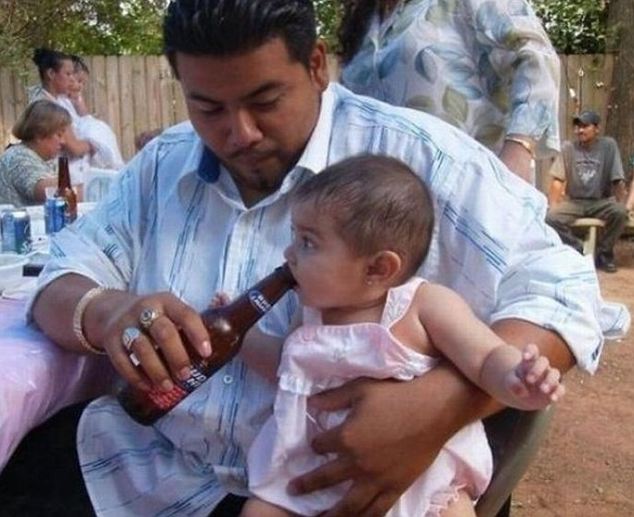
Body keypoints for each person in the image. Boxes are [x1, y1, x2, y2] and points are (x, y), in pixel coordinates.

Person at [13, 1, 626, 515]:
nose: (240, 132)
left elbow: (565, 289)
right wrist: (109, 309)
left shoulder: (418, 159)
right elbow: (64, 274)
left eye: (265, 99)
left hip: (328, 497)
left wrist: (440, 405)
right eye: (209, 108)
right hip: (147, 470)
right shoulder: (159, 166)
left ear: (315, 67)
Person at [241, 154, 565, 517]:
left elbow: (486, 356)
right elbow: (287, 369)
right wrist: (242, 336)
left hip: (418, 478)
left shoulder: (423, 306)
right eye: (294, 237)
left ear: (379, 268)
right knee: (260, 510)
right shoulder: (312, 315)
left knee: (452, 510)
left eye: (308, 242)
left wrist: (516, 378)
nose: (289, 254)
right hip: (310, 474)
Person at [337, 0, 561, 183]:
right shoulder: (365, 23)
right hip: (379, 207)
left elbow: (537, 57)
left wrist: (518, 153)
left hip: (470, 196)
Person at [546, 110, 628, 273]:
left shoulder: (608, 146)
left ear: (596, 129)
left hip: (600, 202)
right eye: (578, 127)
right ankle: (580, 249)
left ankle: (604, 254)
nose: (580, 130)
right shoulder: (569, 148)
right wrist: (553, 204)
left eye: (585, 126)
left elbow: (617, 179)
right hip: (575, 201)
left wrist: (624, 204)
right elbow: (557, 180)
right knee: (550, 218)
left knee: (620, 213)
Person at [0, 100, 70, 207]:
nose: (63, 141)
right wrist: (81, 181)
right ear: (40, 134)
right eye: (59, 135)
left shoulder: (43, 158)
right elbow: (47, 191)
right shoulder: (18, 157)